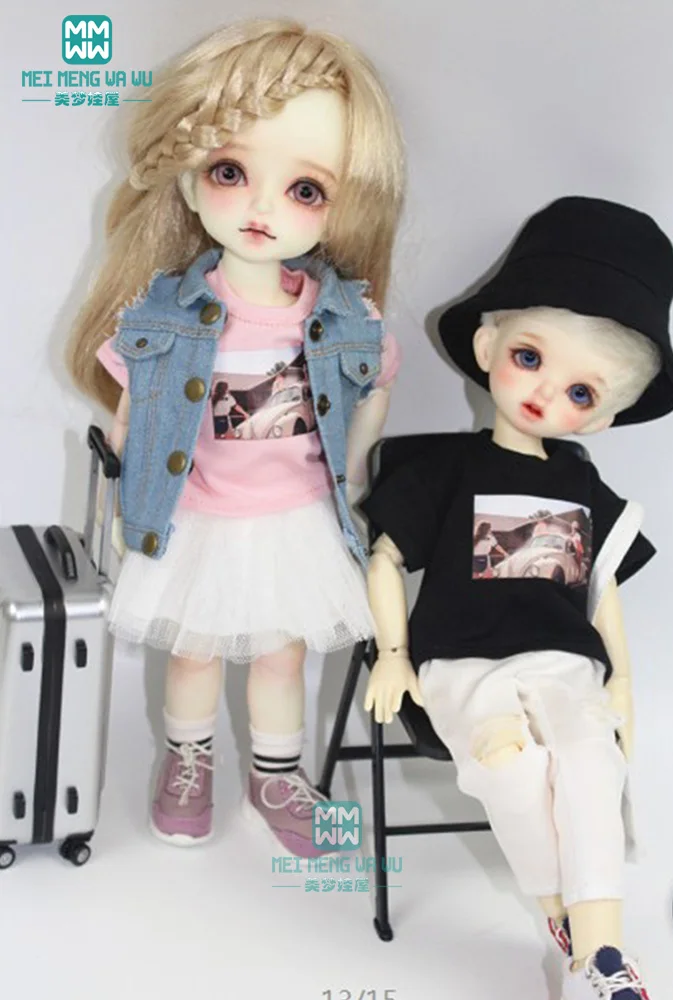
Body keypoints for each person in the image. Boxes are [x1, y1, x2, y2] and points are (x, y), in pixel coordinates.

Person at [67, 19, 405, 856]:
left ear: (344, 207)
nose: (261, 208)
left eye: (305, 190)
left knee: (282, 659)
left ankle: (275, 776)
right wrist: (128, 501)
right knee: (194, 653)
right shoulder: (163, 315)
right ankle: (187, 763)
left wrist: (354, 476)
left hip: (294, 518)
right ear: (188, 182)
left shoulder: (342, 317)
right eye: (230, 172)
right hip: (199, 517)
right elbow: (134, 414)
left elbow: (373, 388)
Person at [360, 197, 673, 998]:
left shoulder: (579, 482)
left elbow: (599, 584)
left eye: (580, 392)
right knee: (507, 763)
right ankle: (559, 916)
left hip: (564, 660)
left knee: (590, 762)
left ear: (602, 416)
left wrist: (622, 680)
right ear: (486, 345)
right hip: (462, 662)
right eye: (529, 357)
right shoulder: (443, 471)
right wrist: (391, 652)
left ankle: (602, 957)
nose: (544, 394)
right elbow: (386, 557)